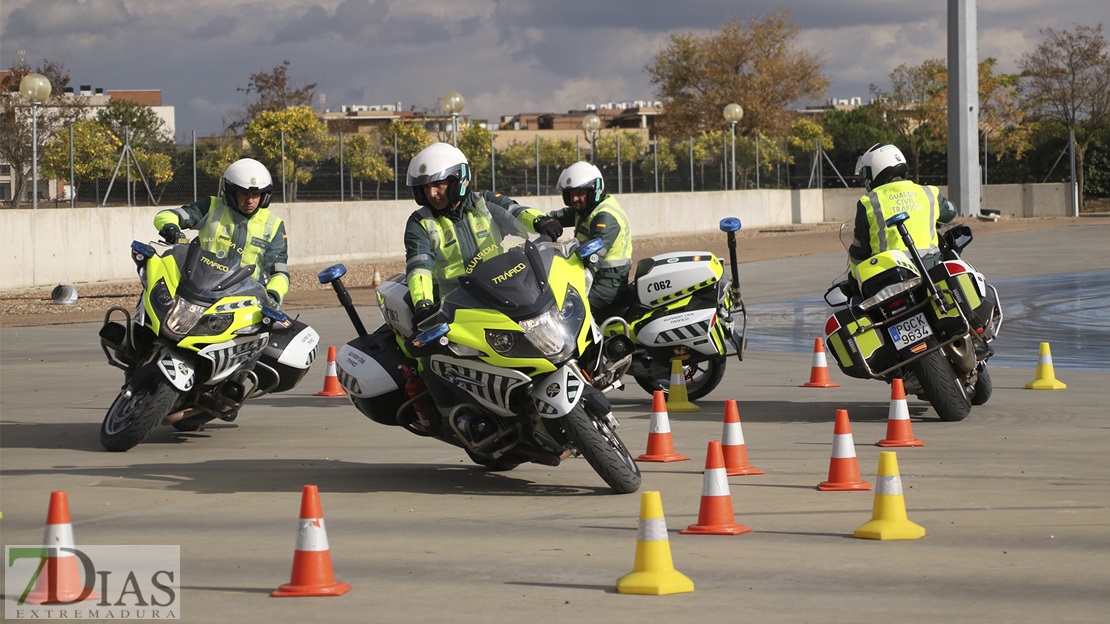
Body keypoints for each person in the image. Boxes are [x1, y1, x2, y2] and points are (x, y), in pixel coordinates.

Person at [403, 142, 563, 327]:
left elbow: (515, 211)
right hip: (456, 305)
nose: (431, 193)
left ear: (459, 181)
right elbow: (419, 267)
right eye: (425, 187)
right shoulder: (419, 222)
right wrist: (423, 304)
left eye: (438, 184)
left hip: (500, 291)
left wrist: (541, 221)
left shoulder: (485, 202)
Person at [153, 158, 289, 305]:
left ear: (264, 196)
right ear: (231, 192)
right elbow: (167, 215)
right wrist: (172, 229)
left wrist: (273, 295)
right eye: (244, 193)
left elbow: (280, 271)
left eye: (256, 195)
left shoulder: (274, 225)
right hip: (200, 289)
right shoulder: (210, 207)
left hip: (245, 299)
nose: (250, 200)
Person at [547, 161, 632, 311]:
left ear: (594, 192)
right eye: (571, 194)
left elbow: (592, 257)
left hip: (607, 284)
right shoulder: (584, 210)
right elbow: (550, 218)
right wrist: (536, 221)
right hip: (594, 278)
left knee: (563, 310)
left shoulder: (605, 216)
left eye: (580, 193)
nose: (574, 199)